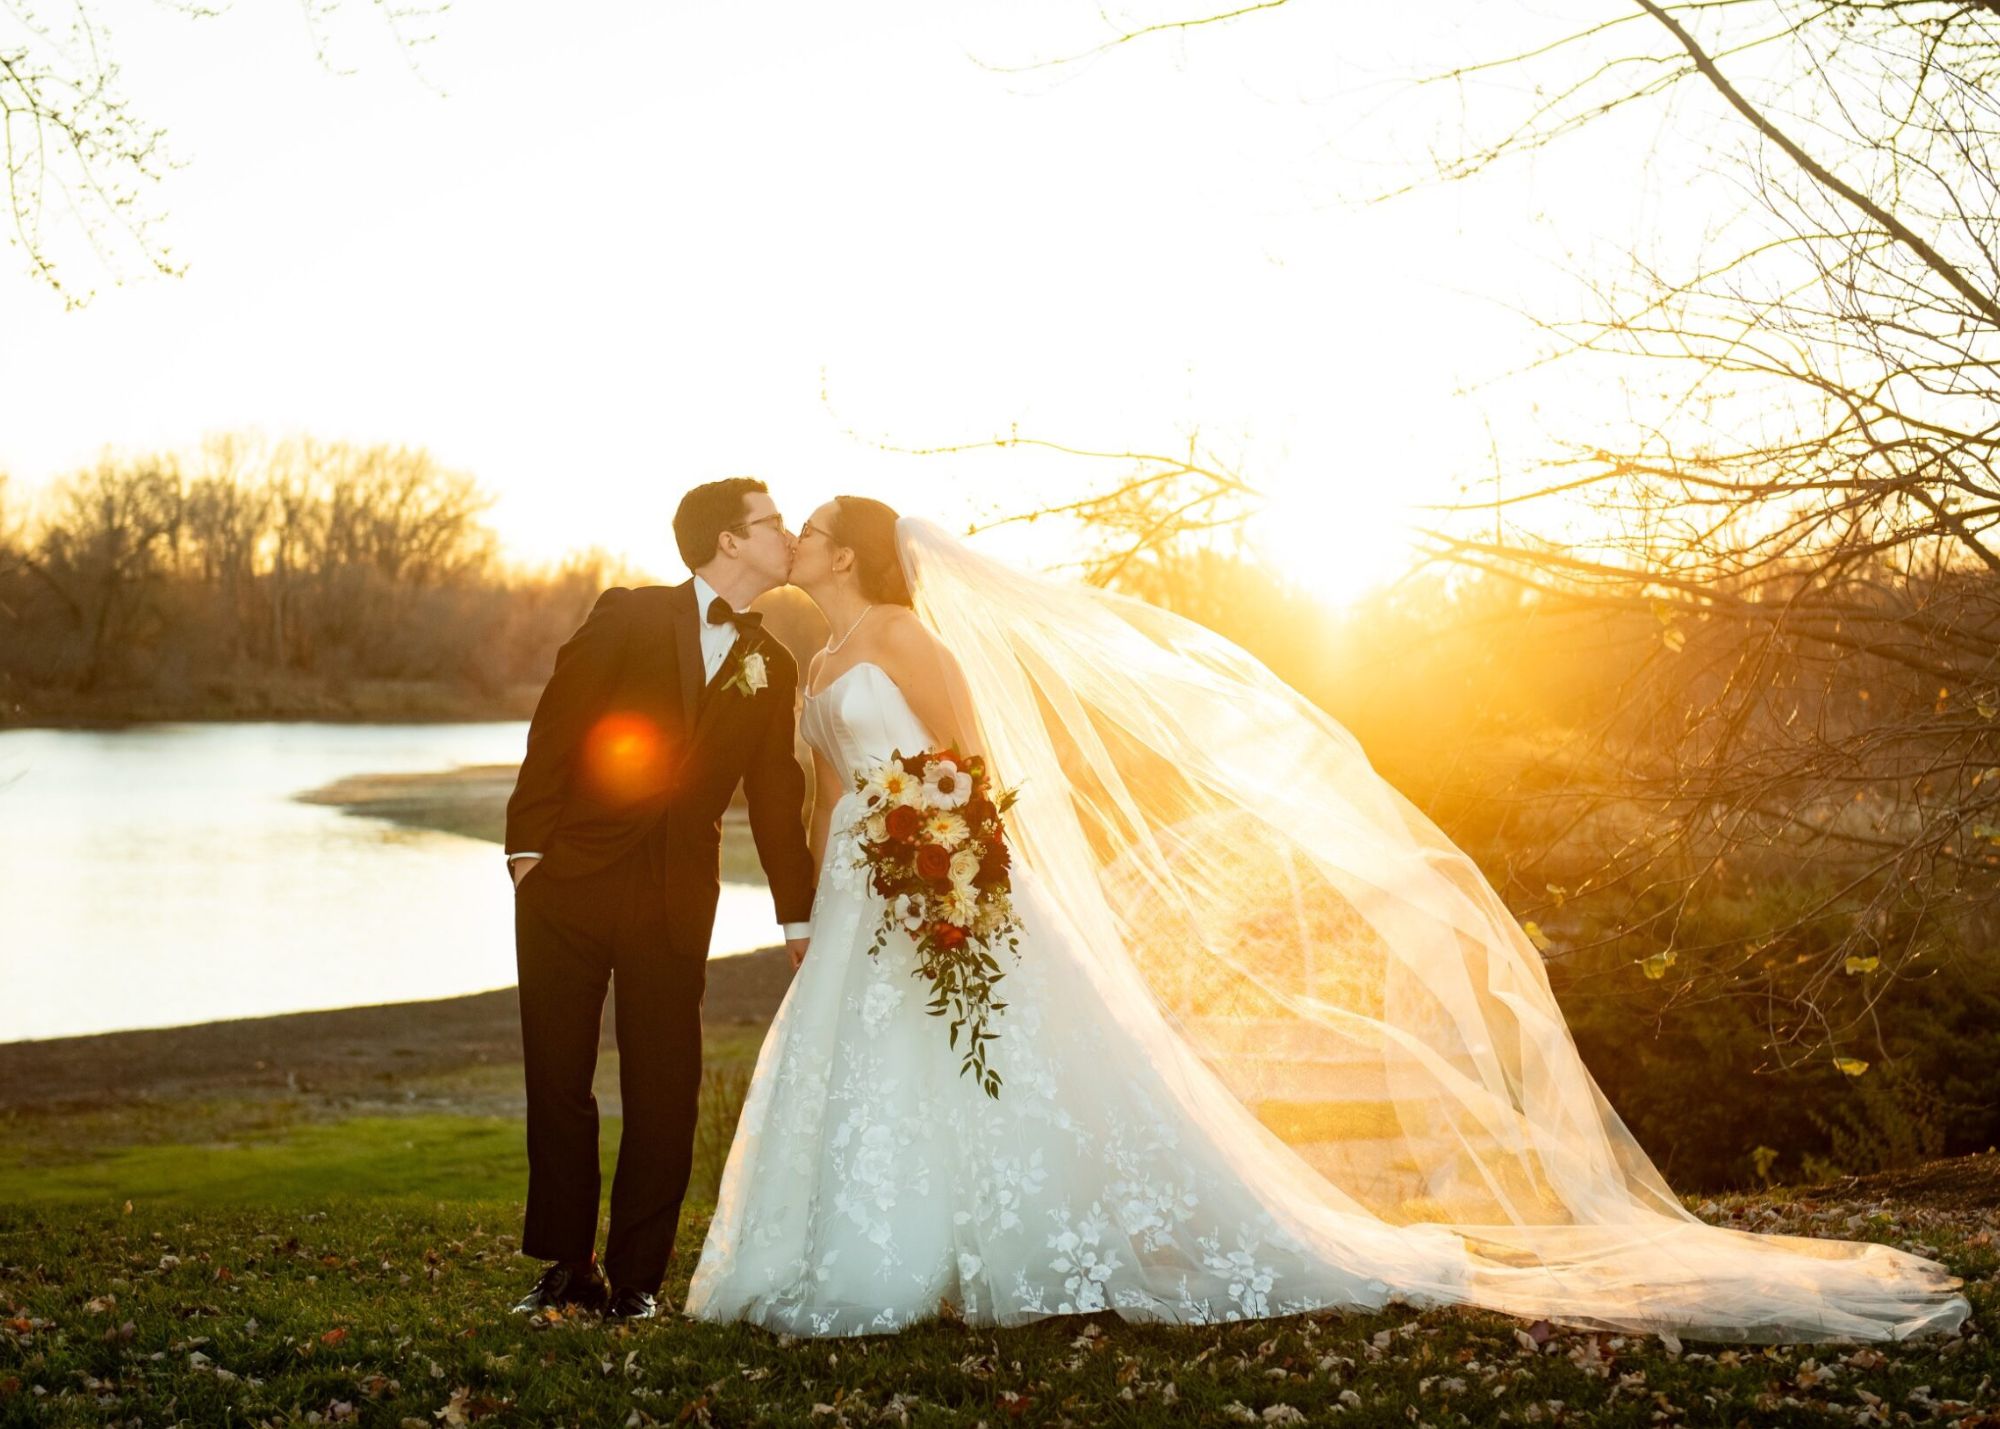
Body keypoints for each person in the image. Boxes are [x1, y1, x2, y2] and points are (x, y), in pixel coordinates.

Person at [683, 496, 1971, 1344]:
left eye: (801, 529)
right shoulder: (812, 665)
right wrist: (841, 874)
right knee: (863, 1058)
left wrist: (954, 859)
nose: (788, 539)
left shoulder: (909, 636)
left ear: (846, 553)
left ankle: (1010, 1239)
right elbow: (825, 789)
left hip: (945, 868)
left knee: (993, 1053)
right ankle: (868, 1247)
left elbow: (964, 761)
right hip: (865, 885)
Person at [503, 478, 814, 1321]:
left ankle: (638, 1280)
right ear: (728, 541)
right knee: (558, 1080)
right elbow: (557, 723)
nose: (786, 533)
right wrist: (529, 851)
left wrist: (799, 917)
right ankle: (569, 1266)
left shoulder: (772, 664)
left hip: (677, 896)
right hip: (570, 879)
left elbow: (777, 799)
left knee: (664, 1089)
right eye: (773, 521)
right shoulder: (631, 615)